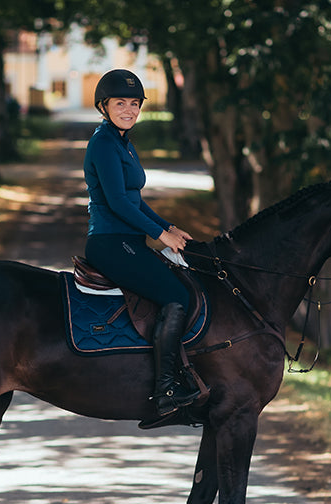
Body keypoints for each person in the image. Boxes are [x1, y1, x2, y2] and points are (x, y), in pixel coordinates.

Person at [83, 68, 201, 418]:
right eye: (121, 103)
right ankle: (165, 388)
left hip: (128, 240)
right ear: (103, 105)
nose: (129, 110)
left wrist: (169, 226)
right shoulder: (103, 143)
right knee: (177, 296)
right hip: (109, 242)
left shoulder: (123, 142)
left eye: (135, 104)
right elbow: (118, 203)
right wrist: (160, 235)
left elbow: (134, 200)